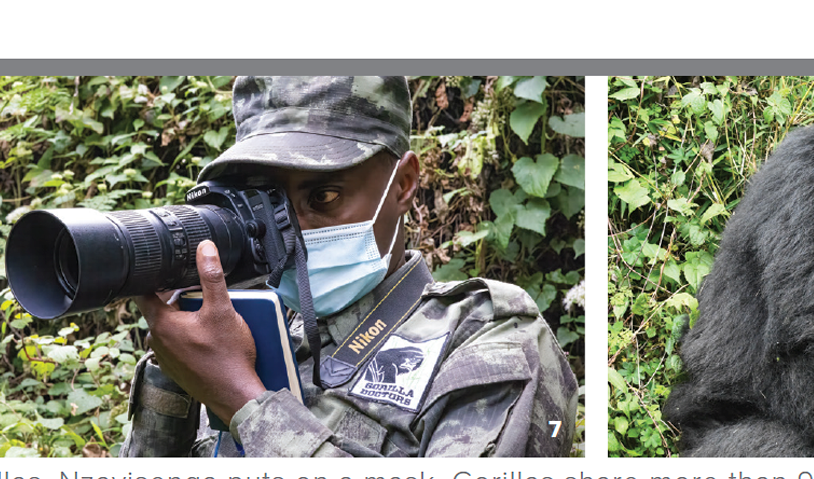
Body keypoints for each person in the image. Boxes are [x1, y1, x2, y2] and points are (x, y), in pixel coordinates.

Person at [123, 76, 576, 457]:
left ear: (403, 183)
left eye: (323, 196)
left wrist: (244, 400)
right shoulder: (245, 333)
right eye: (269, 202)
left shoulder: (489, 334)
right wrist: (173, 375)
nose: (290, 231)